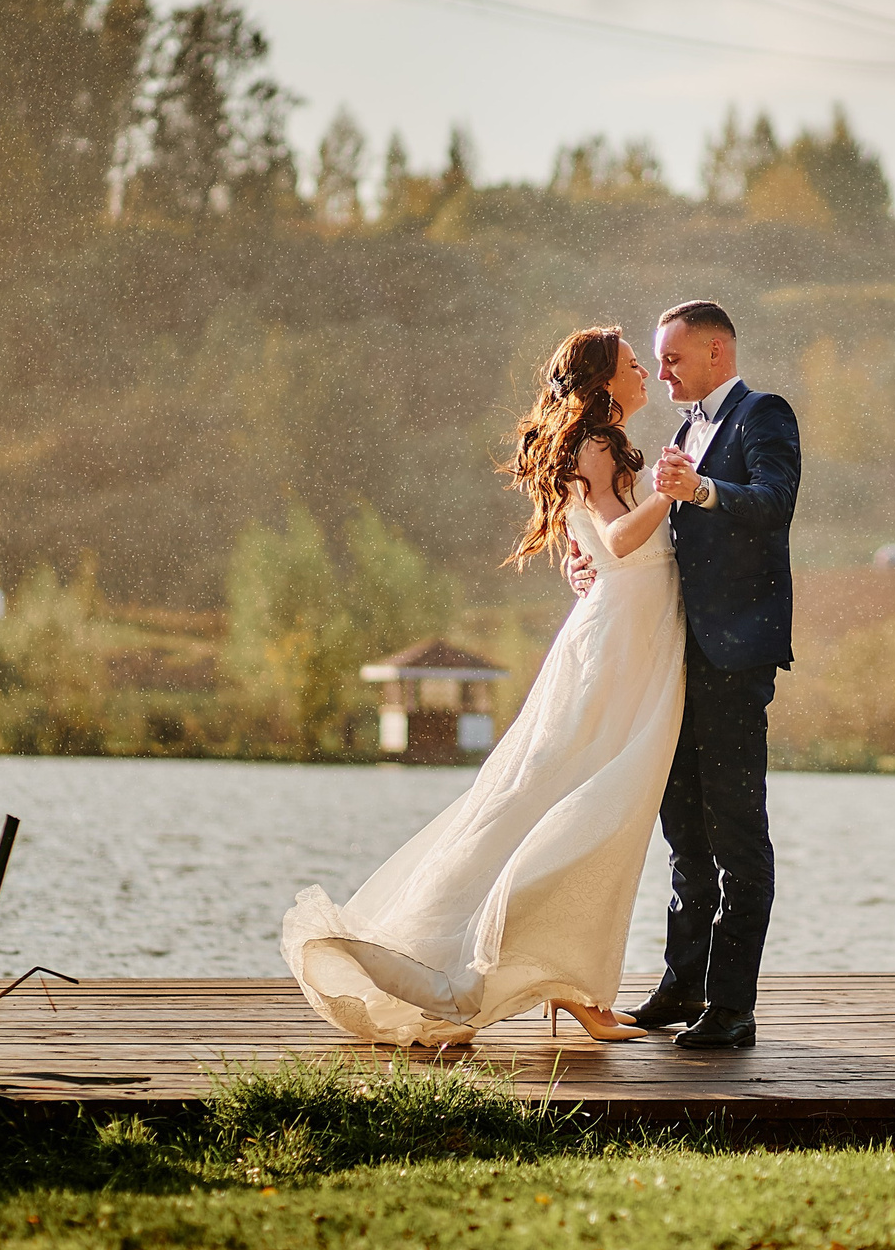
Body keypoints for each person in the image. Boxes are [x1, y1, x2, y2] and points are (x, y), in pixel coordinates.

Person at [279, 327, 682, 1046]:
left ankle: (573, 984)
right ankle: (533, 977)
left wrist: (610, 541)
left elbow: (598, 542)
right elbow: (620, 540)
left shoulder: (601, 444)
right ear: (601, 381)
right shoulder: (593, 443)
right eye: (631, 366)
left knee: (593, 808)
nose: (646, 374)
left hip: (634, 633)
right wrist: (678, 494)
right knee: (574, 805)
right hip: (619, 642)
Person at [568, 299, 800, 1050]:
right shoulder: (678, 432)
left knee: (738, 839)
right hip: (670, 661)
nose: (660, 370)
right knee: (685, 837)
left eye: (672, 357)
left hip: (733, 662)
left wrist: (702, 490)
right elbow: (649, 536)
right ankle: (682, 987)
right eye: (656, 359)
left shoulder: (765, 415)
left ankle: (732, 1009)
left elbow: (773, 505)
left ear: (718, 353)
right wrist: (591, 561)